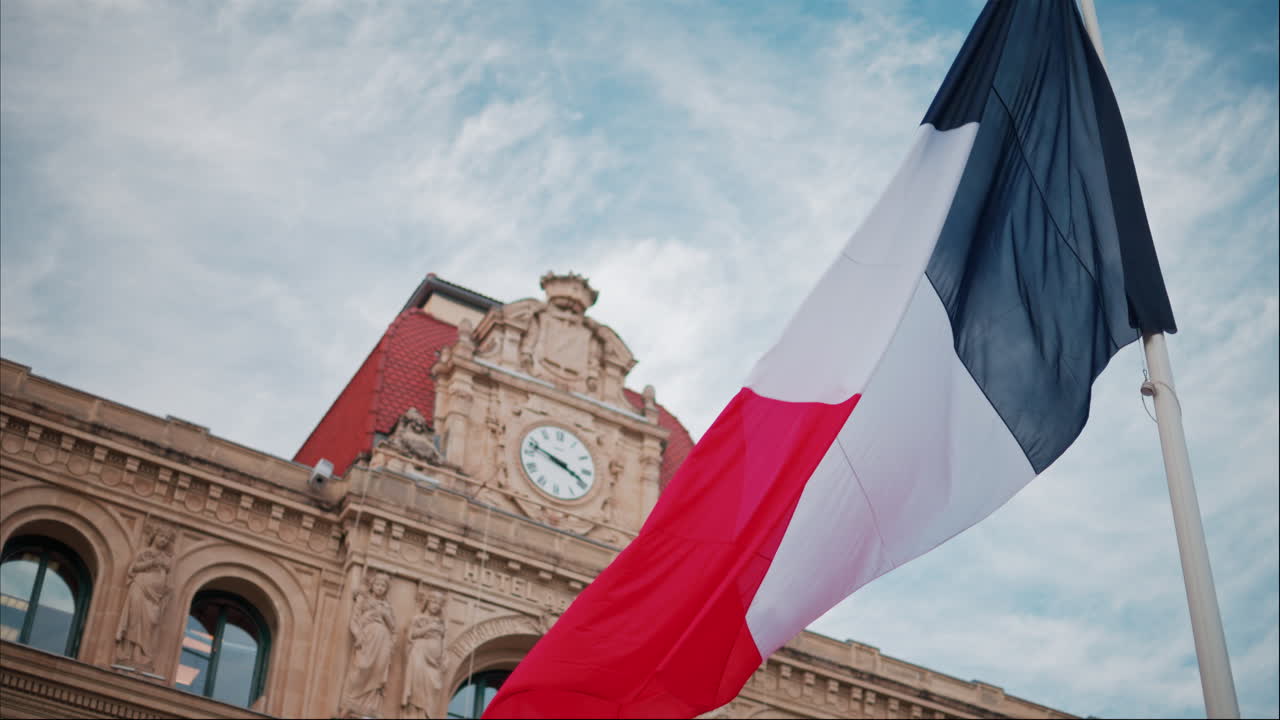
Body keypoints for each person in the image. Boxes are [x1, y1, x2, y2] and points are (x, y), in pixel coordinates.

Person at [342, 571, 397, 717]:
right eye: (378, 584)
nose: (380, 588)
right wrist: (358, 635)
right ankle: (353, 701)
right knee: (363, 667)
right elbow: (354, 619)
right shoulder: (364, 599)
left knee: (378, 671)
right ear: (372, 585)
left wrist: (384, 614)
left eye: (383, 586)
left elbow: (393, 627)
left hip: (383, 640)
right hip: (367, 638)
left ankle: (370, 706)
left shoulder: (387, 606)